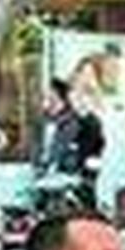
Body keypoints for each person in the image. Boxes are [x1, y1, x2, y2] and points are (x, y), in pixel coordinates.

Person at [38, 76, 104, 207]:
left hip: (67, 187)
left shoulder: (76, 124)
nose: (45, 104)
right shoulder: (45, 124)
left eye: (50, 99)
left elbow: (67, 157)